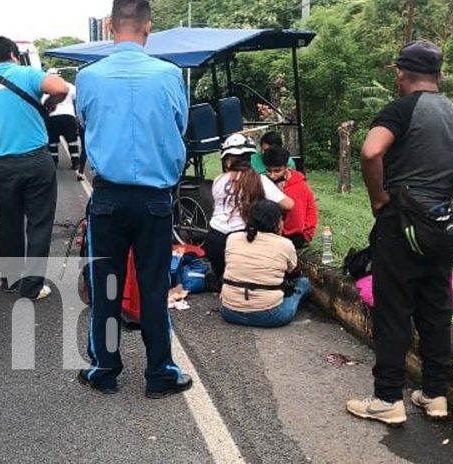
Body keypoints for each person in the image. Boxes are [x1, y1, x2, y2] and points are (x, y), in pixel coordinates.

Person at [347, 40, 453, 425]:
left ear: (401, 73)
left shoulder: (401, 109)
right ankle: (435, 395)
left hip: (401, 223)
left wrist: (378, 198)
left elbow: (370, 152)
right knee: (436, 307)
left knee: (394, 308)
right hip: (443, 226)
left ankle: (388, 398)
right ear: (440, 75)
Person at [75, 0, 192, 398]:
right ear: (148, 27)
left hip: (107, 198)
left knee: (105, 286)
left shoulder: (88, 78)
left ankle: (104, 370)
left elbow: (86, 125)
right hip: (156, 200)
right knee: (155, 287)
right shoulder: (171, 75)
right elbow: (181, 127)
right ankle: (160, 374)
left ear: (110, 26)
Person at [0, 36, 69, 300]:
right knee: (39, 224)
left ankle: (11, 280)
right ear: (14, 55)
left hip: (4, 165)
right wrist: (50, 103)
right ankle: (32, 287)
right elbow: (61, 87)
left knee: (9, 222)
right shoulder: (27, 73)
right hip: (37, 162)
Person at [205, 133, 294, 280]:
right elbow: (289, 205)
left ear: (227, 161)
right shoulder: (259, 180)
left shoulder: (218, 180)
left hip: (215, 242)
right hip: (243, 244)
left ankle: (221, 280)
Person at [220, 200, 311, 327]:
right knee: (304, 283)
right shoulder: (285, 244)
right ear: (276, 223)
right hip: (269, 316)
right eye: (281, 219)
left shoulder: (232, 238)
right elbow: (293, 272)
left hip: (229, 312)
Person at [263, 146, 318, 249]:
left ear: (287, 167)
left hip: (296, 236)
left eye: (277, 171)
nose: (272, 175)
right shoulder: (267, 182)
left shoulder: (298, 186)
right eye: (268, 171)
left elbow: (297, 221)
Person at [44, 75, 81, 169]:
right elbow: (77, 98)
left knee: (53, 141)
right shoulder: (69, 86)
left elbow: (43, 101)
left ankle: (54, 162)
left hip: (53, 116)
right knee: (72, 140)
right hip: (68, 115)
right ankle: (75, 162)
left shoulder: (47, 87)